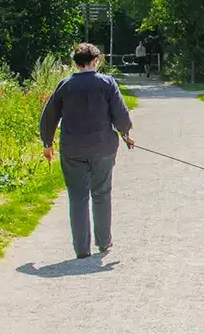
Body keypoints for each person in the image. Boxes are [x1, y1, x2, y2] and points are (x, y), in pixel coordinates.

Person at [39, 43, 135, 259]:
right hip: (103, 148)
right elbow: (120, 114)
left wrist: (47, 143)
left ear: (76, 63)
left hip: (72, 149)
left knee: (77, 197)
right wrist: (125, 134)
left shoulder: (65, 85)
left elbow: (49, 116)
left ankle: (82, 249)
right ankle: (104, 241)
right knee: (101, 193)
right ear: (95, 61)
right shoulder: (107, 83)